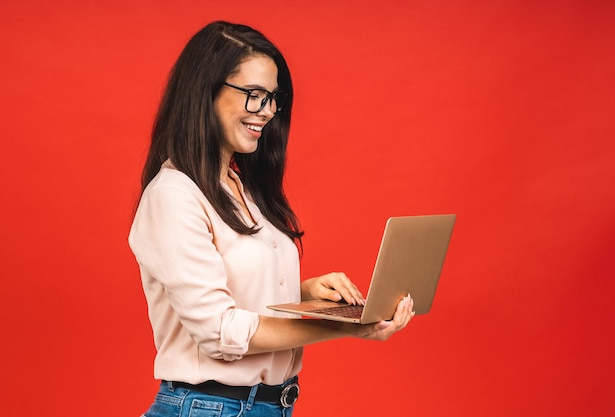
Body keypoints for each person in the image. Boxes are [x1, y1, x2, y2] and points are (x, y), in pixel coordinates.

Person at [128, 20, 415, 417]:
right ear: (204, 93)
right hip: (211, 408)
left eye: (273, 98)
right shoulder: (173, 196)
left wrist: (307, 295)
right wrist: (343, 327)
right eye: (254, 95)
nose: (268, 111)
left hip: (265, 407)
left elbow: (237, 297)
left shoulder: (242, 187)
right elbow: (219, 331)